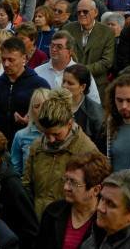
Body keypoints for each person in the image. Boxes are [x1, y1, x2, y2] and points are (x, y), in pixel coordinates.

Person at [22, 88, 99, 219]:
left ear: (69, 124)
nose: (50, 140)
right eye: (46, 133)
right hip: (37, 220)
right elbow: (27, 184)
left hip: (68, 221)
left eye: (56, 134)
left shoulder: (87, 151)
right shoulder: (37, 146)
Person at [37, 152, 112, 249]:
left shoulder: (107, 222)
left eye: (73, 183)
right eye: (66, 180)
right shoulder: (52, 212)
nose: (66, 187)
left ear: (95, 190)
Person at [0, 37, 50, 142]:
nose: (6, 64)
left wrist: (32, 121)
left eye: (11, 60)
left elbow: (50, 118)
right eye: (3, 59)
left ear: (24, 58)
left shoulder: (39, 85)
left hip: (28, 143)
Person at [63, 0, 115, 96]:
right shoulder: (68, 29)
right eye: (79, 12)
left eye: (85, 11)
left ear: (95, 12)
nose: (81, 14)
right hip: (70, 84)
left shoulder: (107, 32)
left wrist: (80, 72)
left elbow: (106, 62)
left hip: (97, 83)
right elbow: (63, 53)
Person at [35, 30, 101, 103]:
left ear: (70, 51)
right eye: (52, 45)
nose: (53, 49)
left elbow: (95, 101)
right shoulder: (38, 72)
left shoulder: (83, 73)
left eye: (59, 47)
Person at [10, 88, 50, 176]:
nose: (41, 110)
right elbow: (15, 170)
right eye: (36, 106)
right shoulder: (21, 136)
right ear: (31, 110)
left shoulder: (59, 134)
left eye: (45, 105)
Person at [62, 64, 104, 144]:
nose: (64, 86)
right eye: (63, 81)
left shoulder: (94, 113)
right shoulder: (55, 104)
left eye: (70, 83)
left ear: (83, 87)